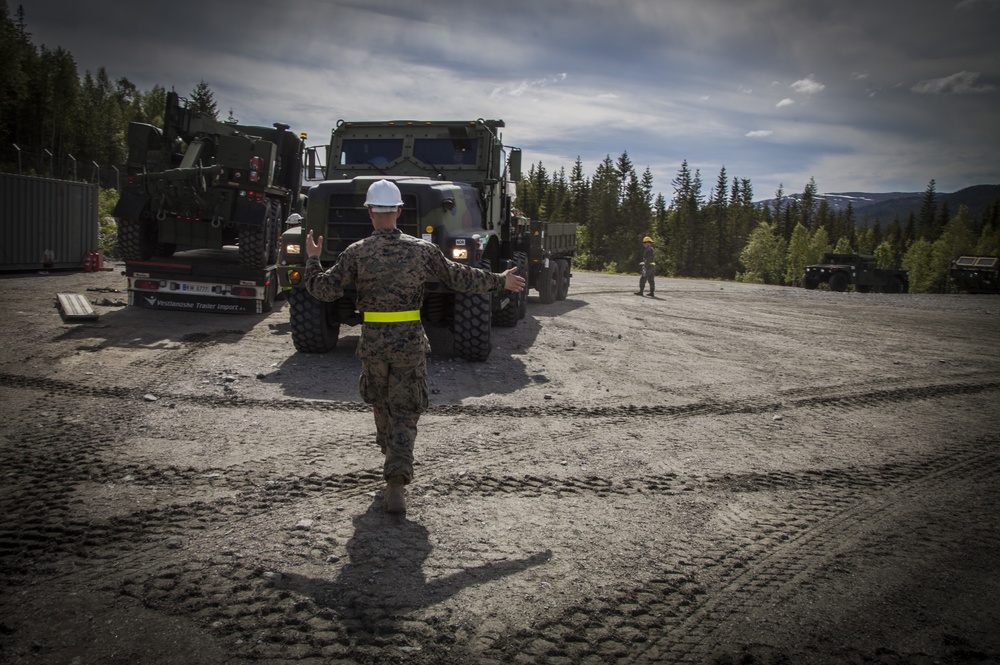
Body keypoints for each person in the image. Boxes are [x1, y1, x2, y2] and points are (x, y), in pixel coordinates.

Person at [303, 179, 525, 513]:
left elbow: (323, 290)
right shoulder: (422, 250)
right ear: (399, 211)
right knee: (406, 412)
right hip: (408, 342)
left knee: (381, 406)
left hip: (374, 343)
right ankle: (396, 479)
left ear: (369, 212)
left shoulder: (356, 251)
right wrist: (500, 281)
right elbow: (459, 277)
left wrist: (312, 259)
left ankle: (389, 457)